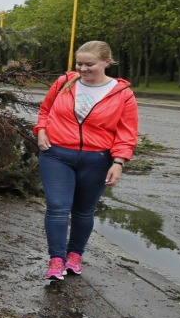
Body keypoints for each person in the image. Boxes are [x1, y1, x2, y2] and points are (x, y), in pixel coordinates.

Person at [33, 41, 139, 281]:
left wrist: (119, 162)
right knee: (58, 207)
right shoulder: (64, 83)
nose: (82, 69)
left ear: (106, 62)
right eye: (79, 63)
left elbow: (126, 132)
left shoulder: (123, 94)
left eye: (89, 64)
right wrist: (40, 130)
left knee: (83, 211)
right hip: (56, 154)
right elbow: (45, 110)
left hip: (97, 159)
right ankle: (56, 260)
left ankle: (74, 256)